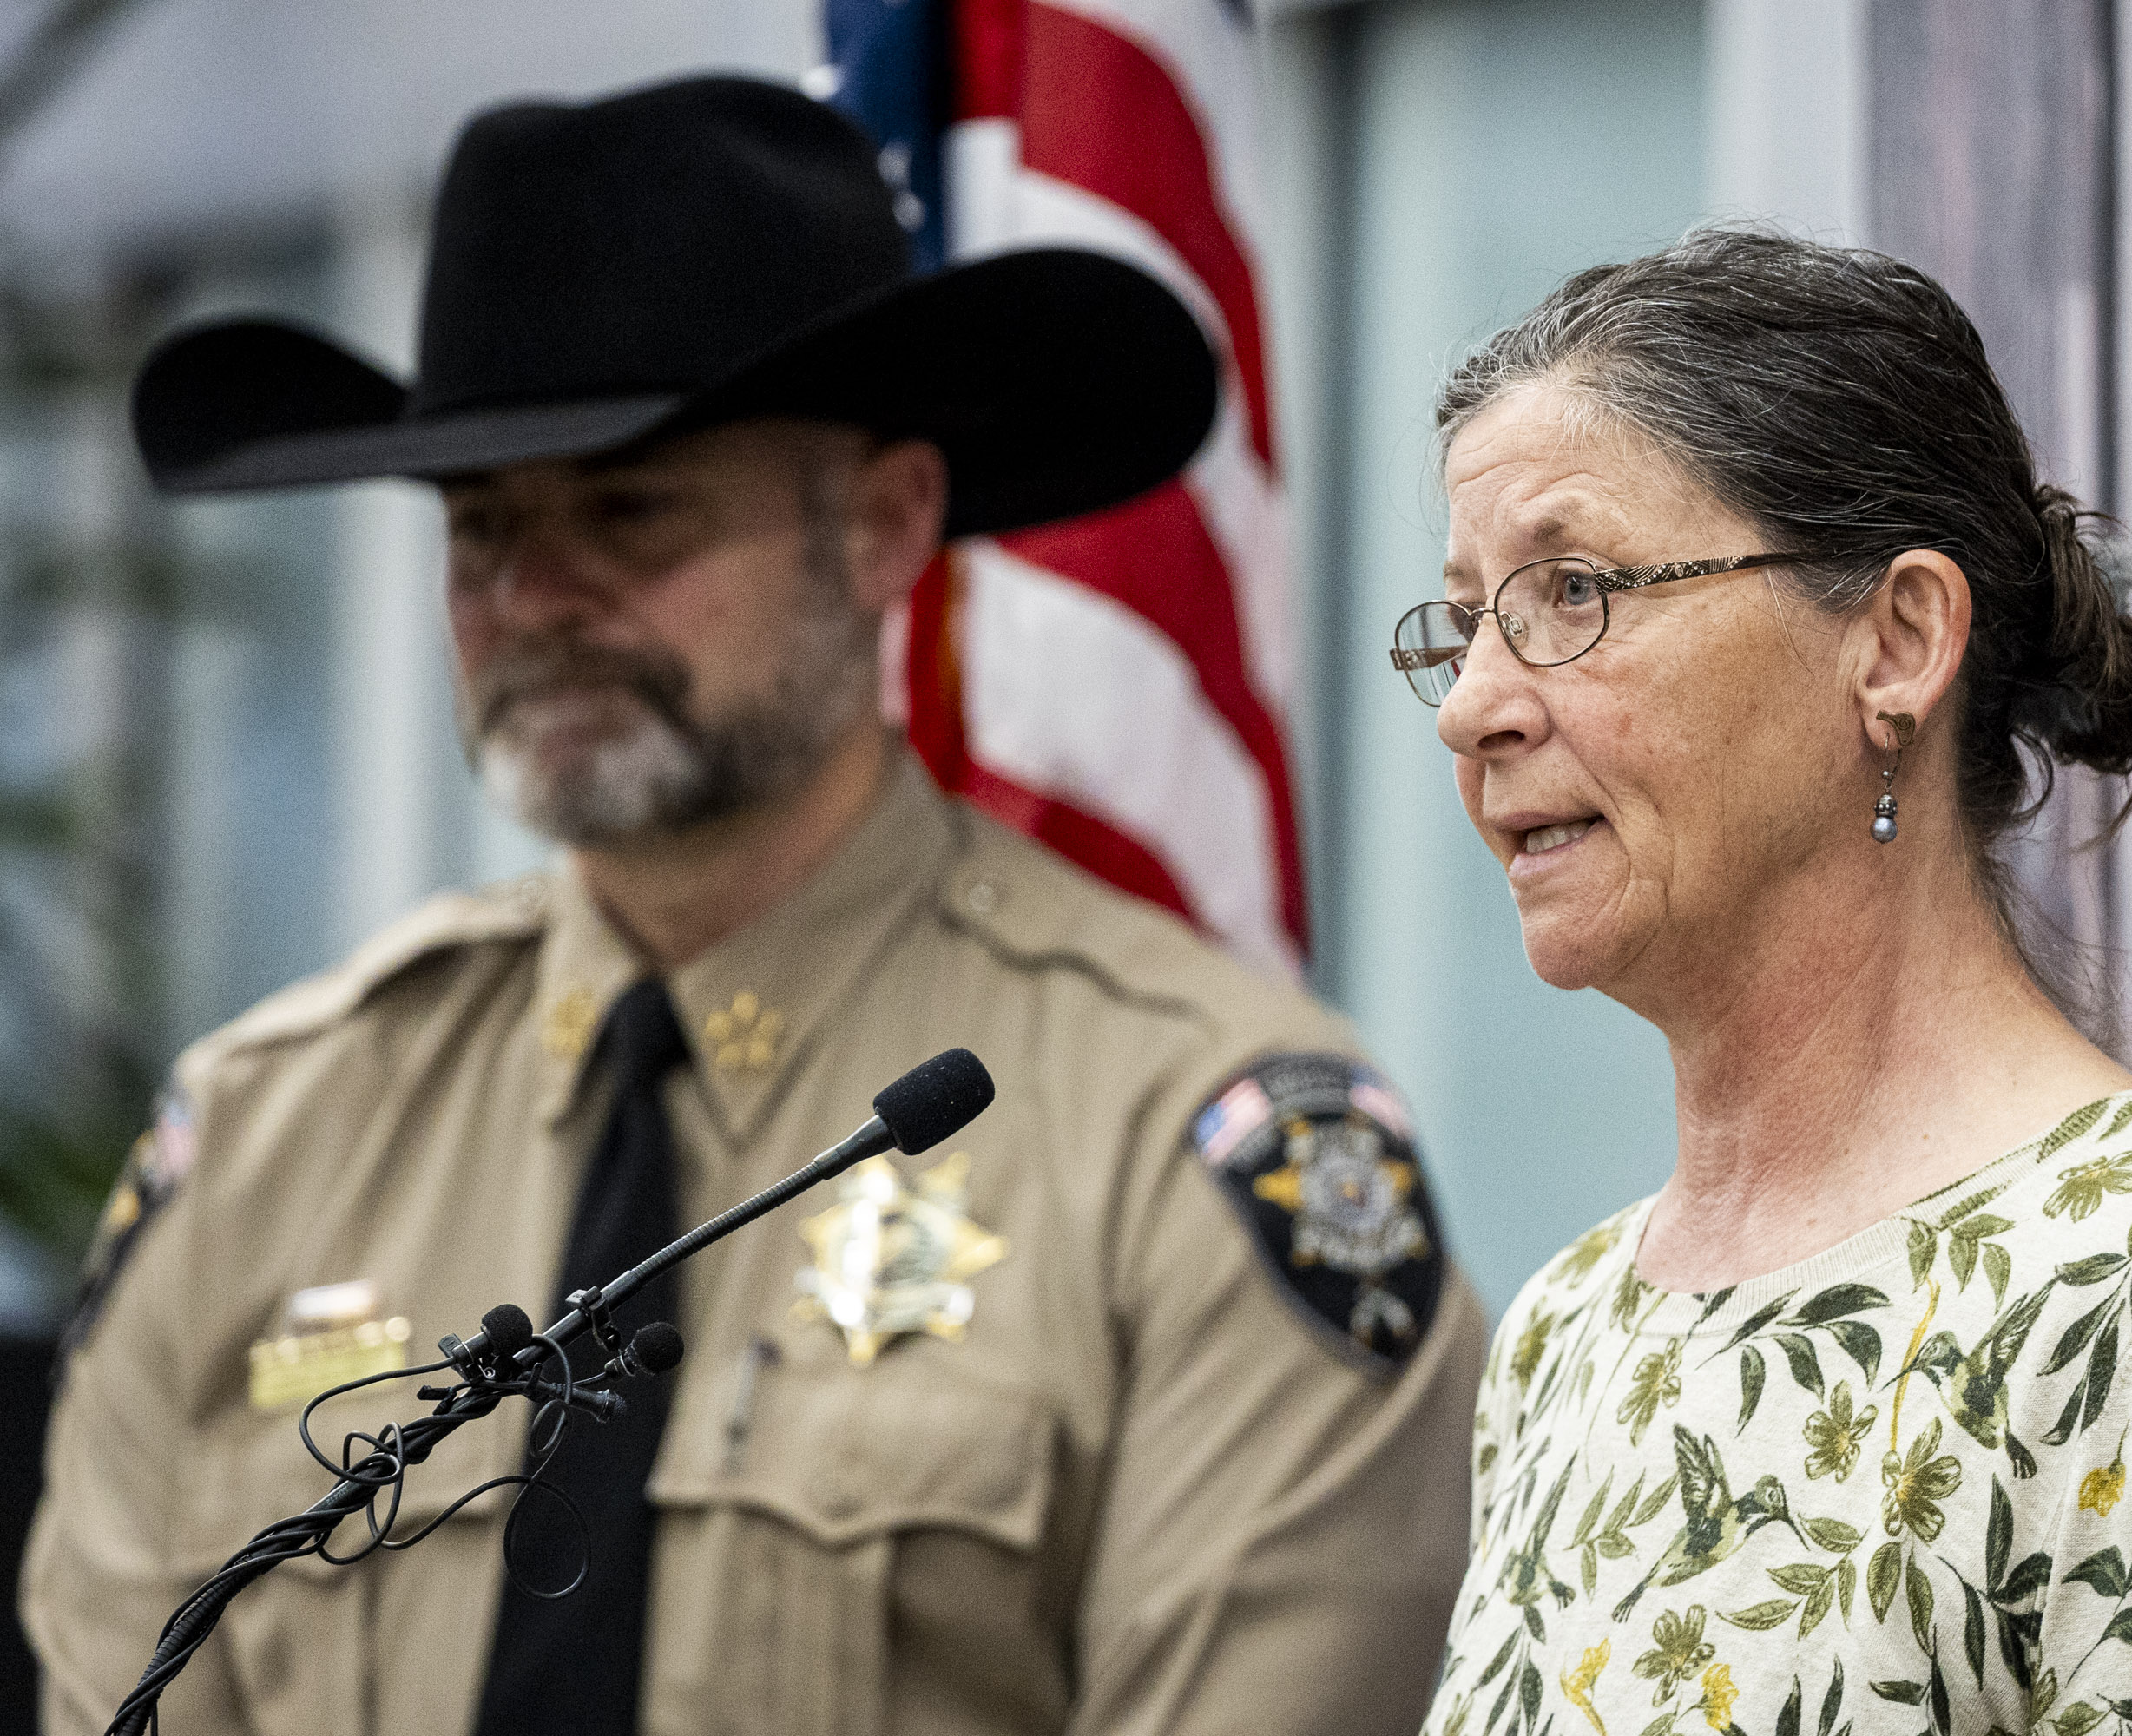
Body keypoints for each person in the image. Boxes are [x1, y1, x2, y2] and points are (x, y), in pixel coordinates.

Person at [23, 76, 1484, 1736]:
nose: (533, 600)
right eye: (480, 526)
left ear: (881, 525)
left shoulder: (1185, 1135)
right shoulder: (271, 1133)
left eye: (631, 511)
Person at [1393, 229, 2132, 1735]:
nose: (1475, 707)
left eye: (1572, 591)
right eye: (1471, 618)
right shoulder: (1568, 1331)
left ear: (1896, 641)